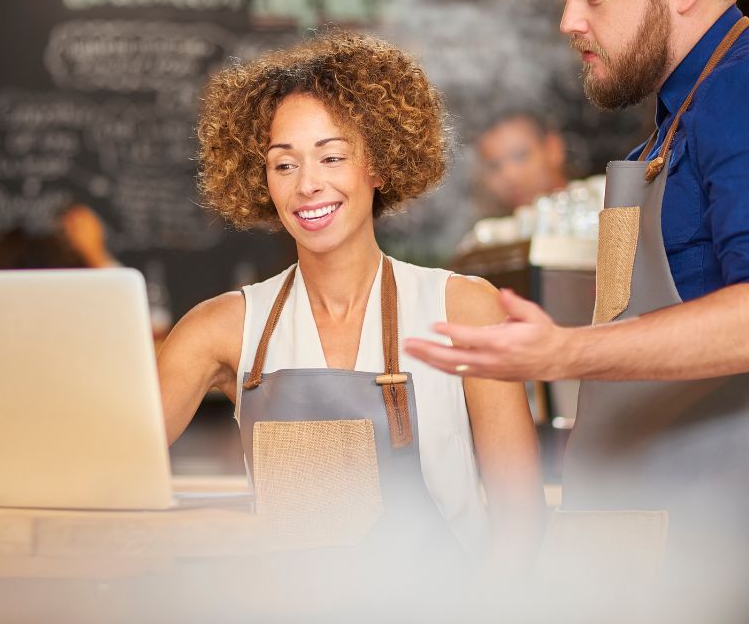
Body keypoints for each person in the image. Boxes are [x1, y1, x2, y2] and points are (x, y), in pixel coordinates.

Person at [404, 0, 749, 624]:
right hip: (668, 548)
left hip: (744, 565)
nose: (569, 22)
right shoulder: (676, 120)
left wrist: (562, 353)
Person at [157, 31, 545, 567]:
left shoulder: (464, 310)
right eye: (284, 164)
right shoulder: (221, 328)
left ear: (378, 166)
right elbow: (114, 467)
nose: (308, 185)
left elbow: (520, 522)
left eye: (332, 157)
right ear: (261, 180)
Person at [474, 111, 567, 217]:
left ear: (553, 148)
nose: (510, 176)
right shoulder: (490, 230)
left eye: (520, 156)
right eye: (494, 166)